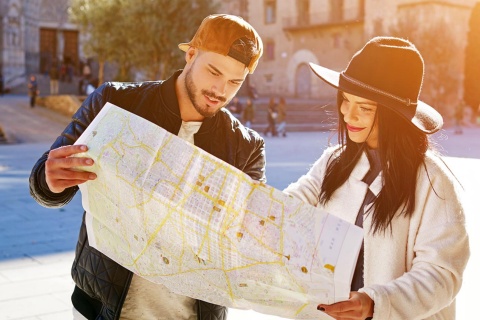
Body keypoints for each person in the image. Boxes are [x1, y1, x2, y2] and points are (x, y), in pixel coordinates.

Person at [29, 14, 265, 320]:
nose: (221, 89)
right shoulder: (115, 102)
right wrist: (50, 180)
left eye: (235, 82)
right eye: (214, 71)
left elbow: (247, 239)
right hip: (103, 307)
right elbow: (46, 182)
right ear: (191, 54)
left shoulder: (246, 146)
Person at [283, 37, 469, 319]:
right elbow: (293, 204)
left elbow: (442, 274)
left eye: (365, 107)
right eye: (345, 100)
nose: (348, 113)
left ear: (395, 115)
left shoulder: (433, 181)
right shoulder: (334, 161)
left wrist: (377, 303)